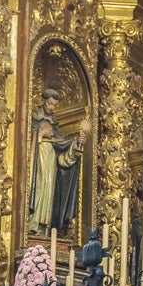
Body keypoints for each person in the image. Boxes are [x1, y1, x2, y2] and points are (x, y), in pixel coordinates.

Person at [27, 86, 88, 234]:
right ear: (43, 101)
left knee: (48, 194)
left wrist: (75, 144)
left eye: (55, 105)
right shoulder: (33, 120)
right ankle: (32, 225)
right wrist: (39, 137)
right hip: (36, 169)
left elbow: (62, 155)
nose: (52, 108)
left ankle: (44, 227)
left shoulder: (55, 127)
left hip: (50, 171)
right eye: (49, 104)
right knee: (38, 191)